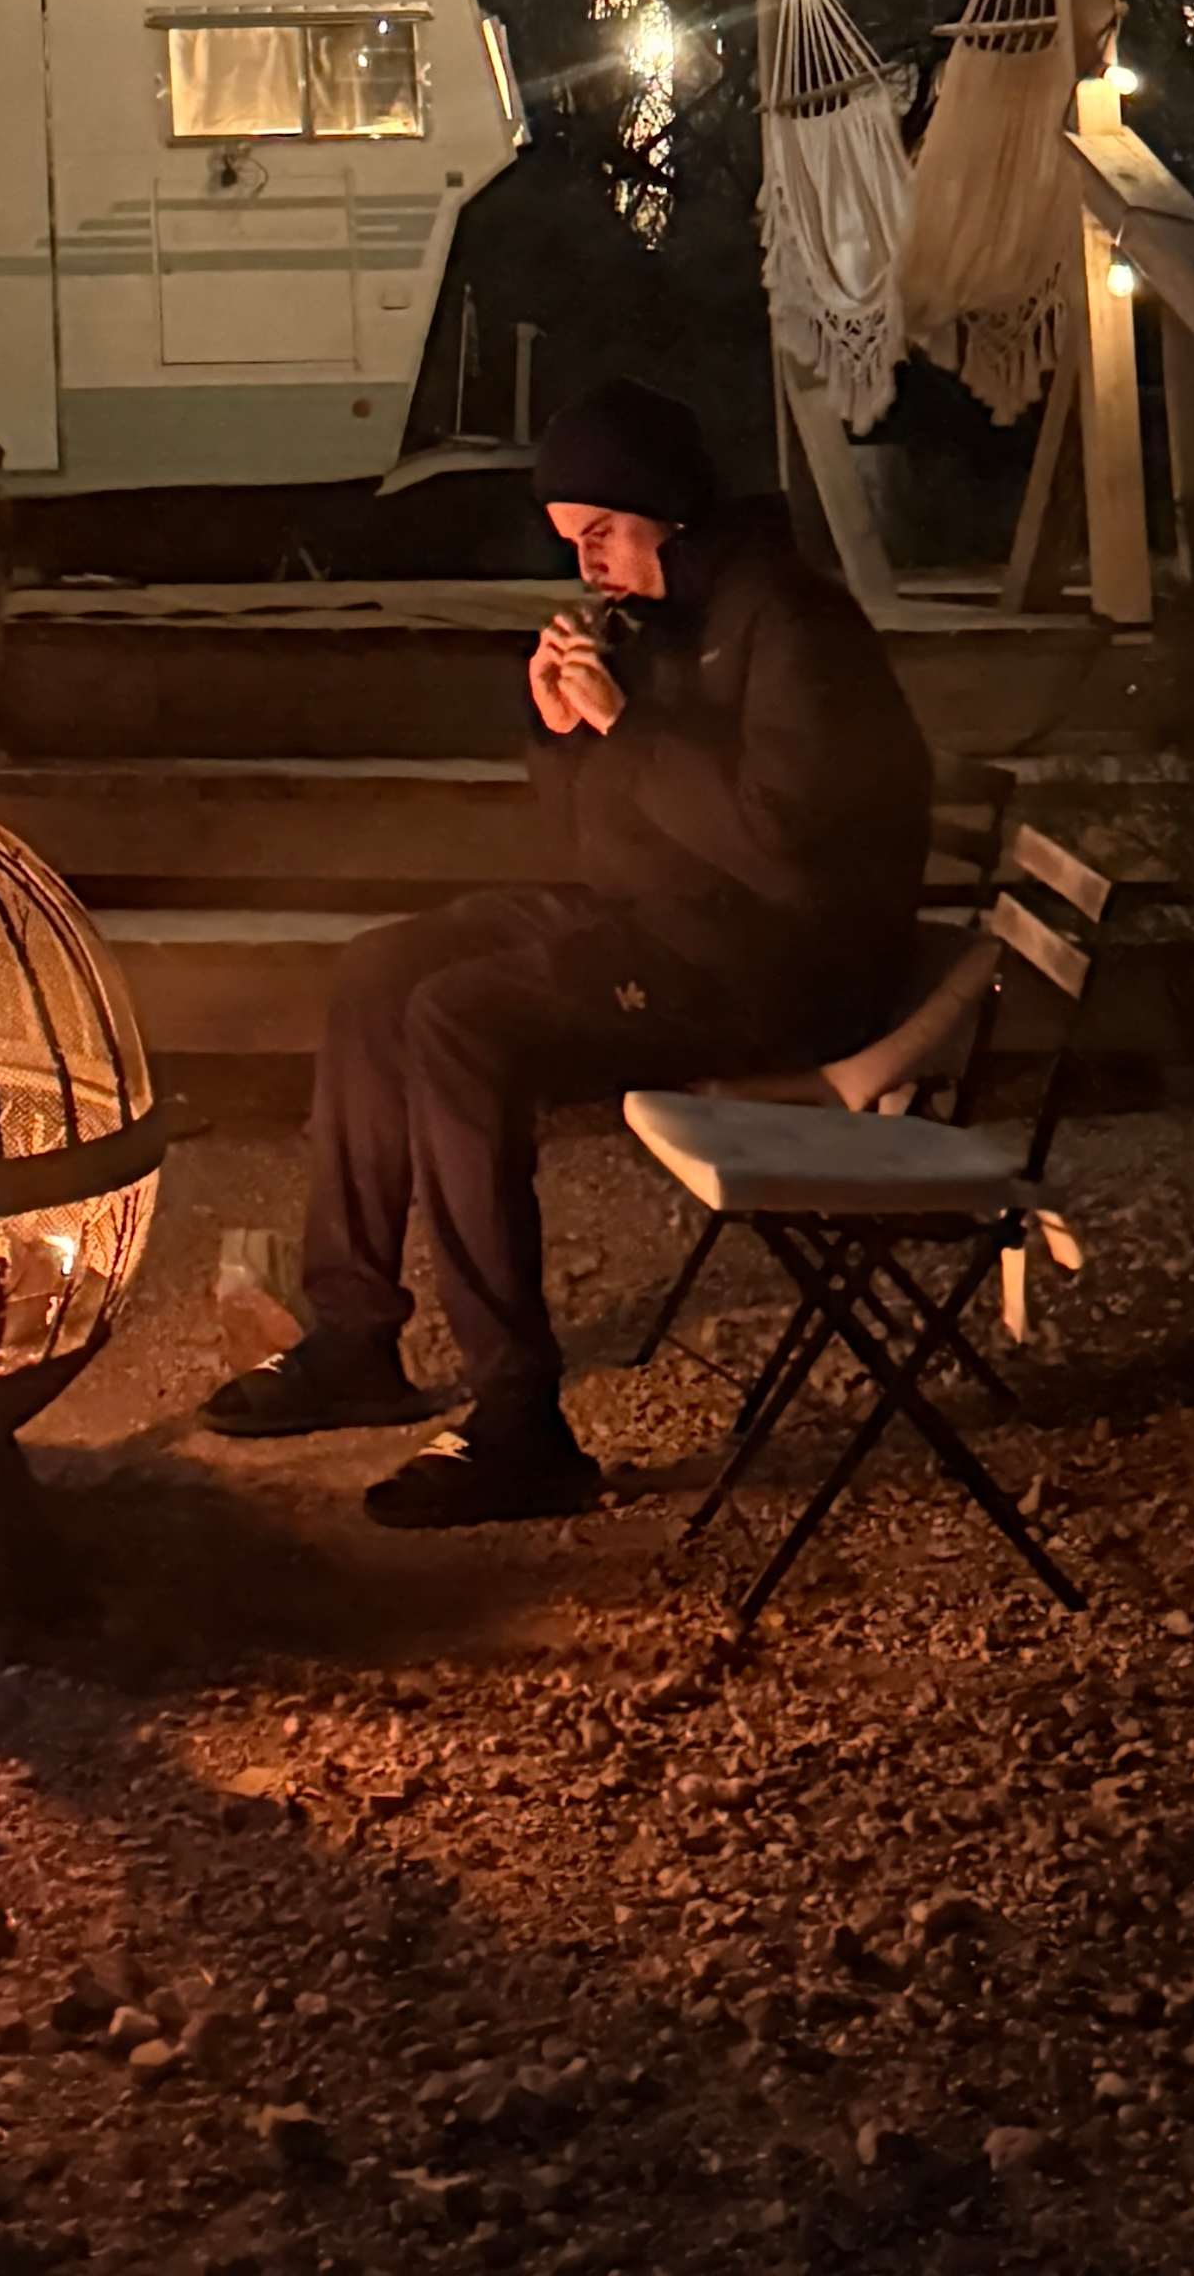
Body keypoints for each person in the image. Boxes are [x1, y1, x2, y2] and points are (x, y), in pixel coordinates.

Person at [204, 375, 931, 1525]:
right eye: (571, 542)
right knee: (381, 970)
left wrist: (627, 728)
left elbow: (785, 850)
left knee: (460, 1017)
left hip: (774, 968)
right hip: (660, 918)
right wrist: (561, 731)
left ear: (666, 510)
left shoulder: (791, 624)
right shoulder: (665, 621)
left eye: (600, 533)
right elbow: (603, 839)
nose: (587, 564)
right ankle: (353, 1334)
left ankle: (520, 1425)